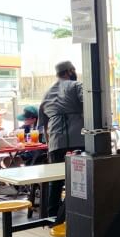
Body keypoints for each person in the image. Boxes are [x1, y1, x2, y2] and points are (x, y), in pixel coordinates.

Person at [39, 61, 85, 223]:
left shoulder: (47, 93)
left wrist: (49, 145)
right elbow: (89, 104)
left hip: (55, 142)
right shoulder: (76, 85)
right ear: (69, 72)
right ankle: (75, 214)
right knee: (80, 179)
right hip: (77, 140)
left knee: (56, 181)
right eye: (73, 70)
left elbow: (43, 124)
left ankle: (53, 218)